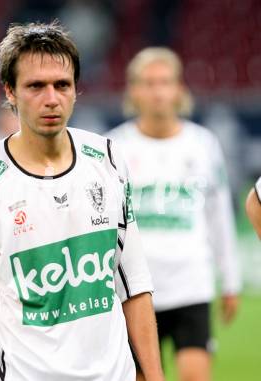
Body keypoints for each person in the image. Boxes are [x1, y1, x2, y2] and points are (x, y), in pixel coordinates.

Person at [0, 21, 164, 381]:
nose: (51, 98)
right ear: (10, 92)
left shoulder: (107, 160)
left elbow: (133, 282)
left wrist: (155, 376)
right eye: (35, 86)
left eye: (61, 85)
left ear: (76, 90)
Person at [105, 47, 241, 381]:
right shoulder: (113, 147)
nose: (157, 91)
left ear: (179, 89)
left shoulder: (203, 144)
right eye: (148, 83)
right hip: (135, 290)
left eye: (165, 82)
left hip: (190, 285)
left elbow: (219, 215)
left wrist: (231, 279)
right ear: (133, 90)